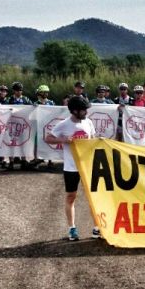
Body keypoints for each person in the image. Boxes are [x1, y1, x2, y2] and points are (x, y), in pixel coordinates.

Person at [45, 96, 99, 241]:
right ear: (75, 111)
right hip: (71, 167)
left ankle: (97, 227)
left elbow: (93, 138)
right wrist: (63, 140)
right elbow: (48, 138)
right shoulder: (64, 124)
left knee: (93, 197)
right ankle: (72, 229)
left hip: (87, 166)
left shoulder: (88, 122)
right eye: (84, 110)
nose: (86, 112)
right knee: (71, 197)